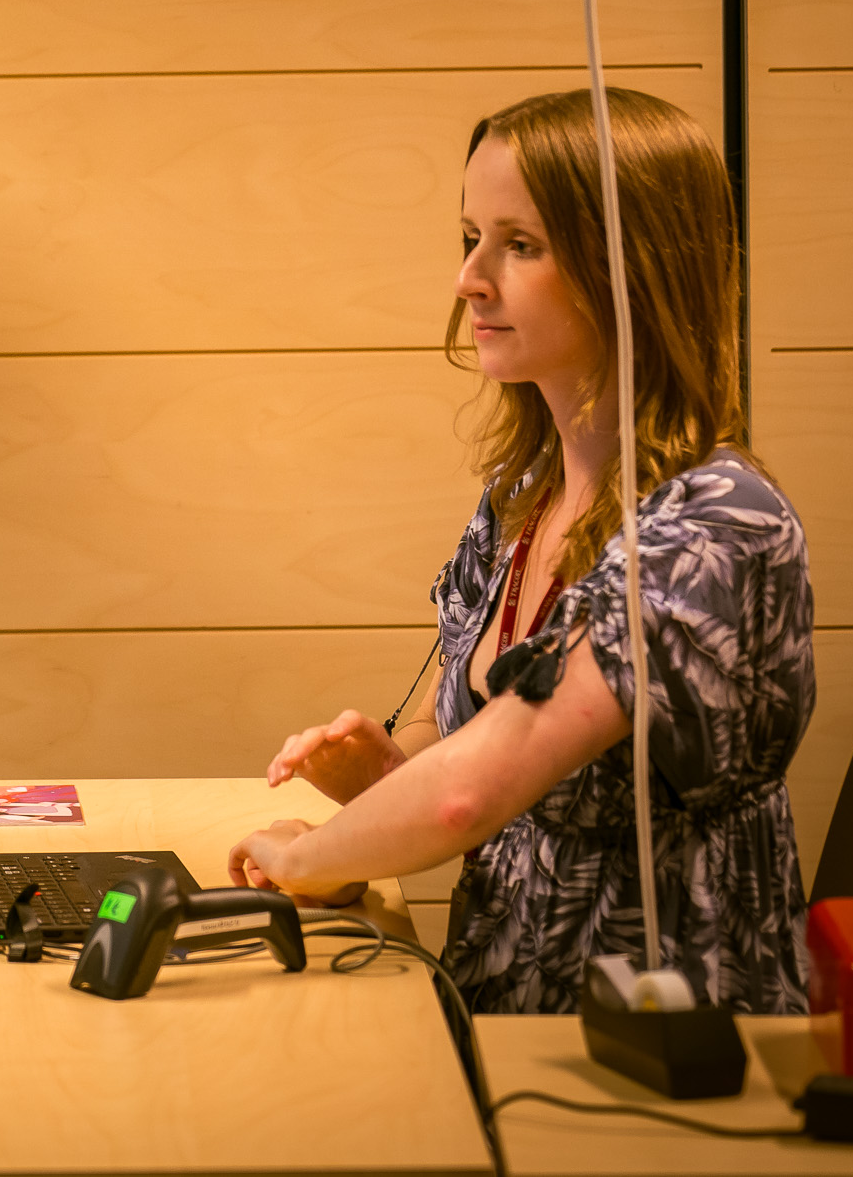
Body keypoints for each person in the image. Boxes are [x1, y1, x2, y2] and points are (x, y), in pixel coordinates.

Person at [226, 88, 815, 1014]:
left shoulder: (715, 526)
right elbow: (460, 744)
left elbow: (468, 797)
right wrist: (384, 778)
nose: (470, 278)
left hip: (654, 1040)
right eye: (471, 237)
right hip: (503, 1000)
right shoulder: (524, 491)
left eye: (521, 244)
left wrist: (304, 858)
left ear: (636, 270)